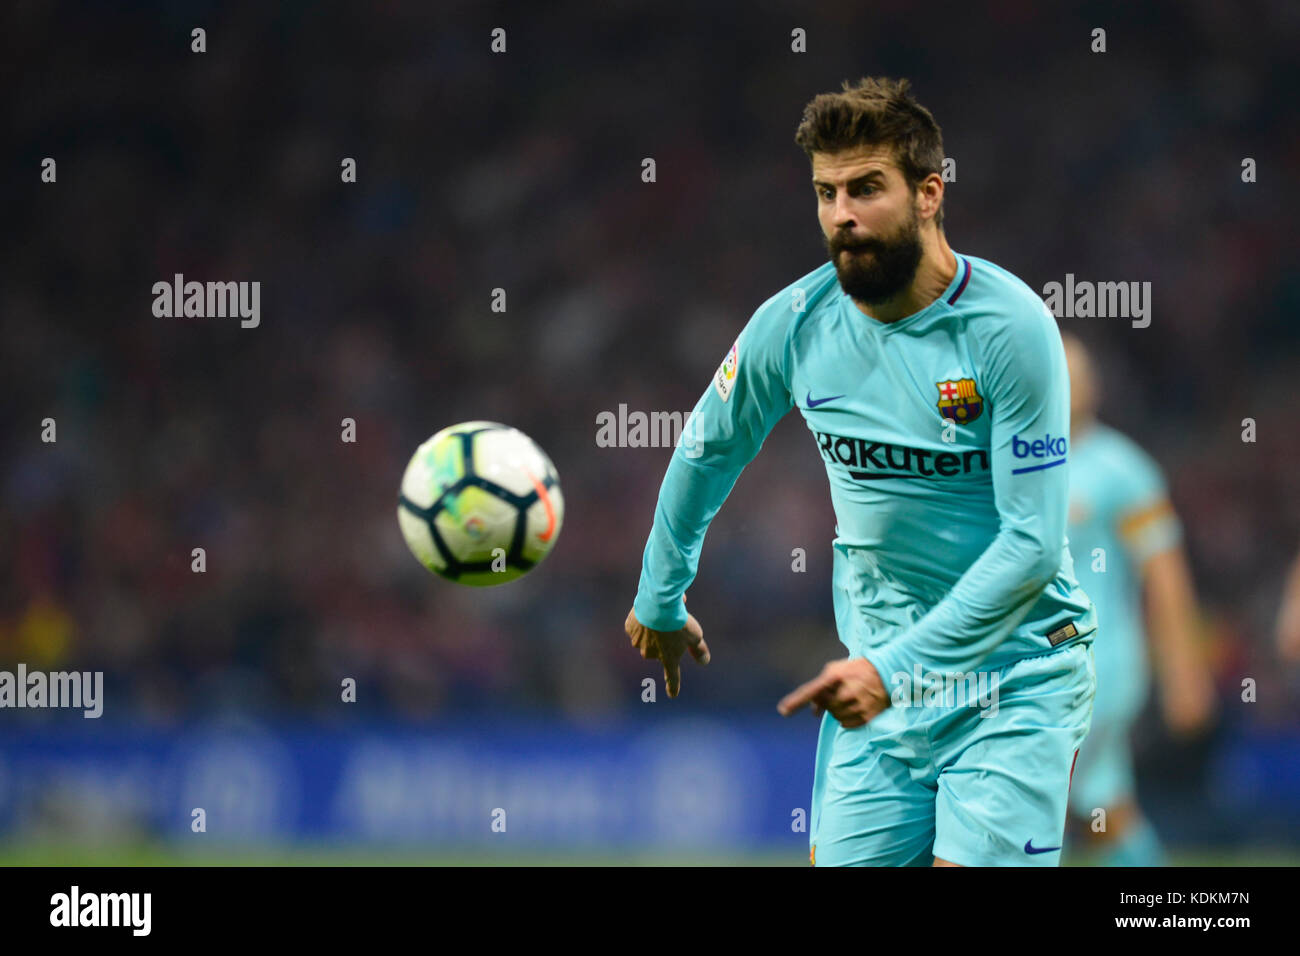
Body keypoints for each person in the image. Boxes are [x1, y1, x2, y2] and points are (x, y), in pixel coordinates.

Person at [624, 77, 1096, 866]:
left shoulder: (1010, 329)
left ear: (929, 194)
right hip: (877, 692)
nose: (842, 214)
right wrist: (660, 597)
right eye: (826, 192)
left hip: (1015, 679)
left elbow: (1032, 544)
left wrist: (892, 668)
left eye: (867, 188)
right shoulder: (795, 324)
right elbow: (706, 449)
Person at [1062, 334, 1215, 865]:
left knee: (1028, 797)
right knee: (1103, 810)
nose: (1069, 383)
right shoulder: (1009, 462)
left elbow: (1166, 576)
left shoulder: (1122, 469)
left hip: (1098, 667)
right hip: (1033, 665)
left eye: (1078, 373)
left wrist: (1184, 675)